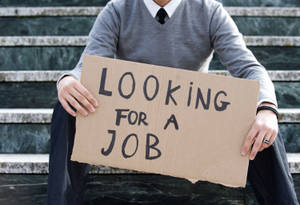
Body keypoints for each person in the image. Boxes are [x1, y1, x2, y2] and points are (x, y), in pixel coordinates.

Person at [46, 0, 299, 204]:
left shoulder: (209, 10)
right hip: (134, 125)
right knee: (68, 106)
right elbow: (87, 68)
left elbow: (250, 69)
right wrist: (67, 80)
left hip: (190, 126)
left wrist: (266, 108)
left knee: (261, 119)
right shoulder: (117, 9)